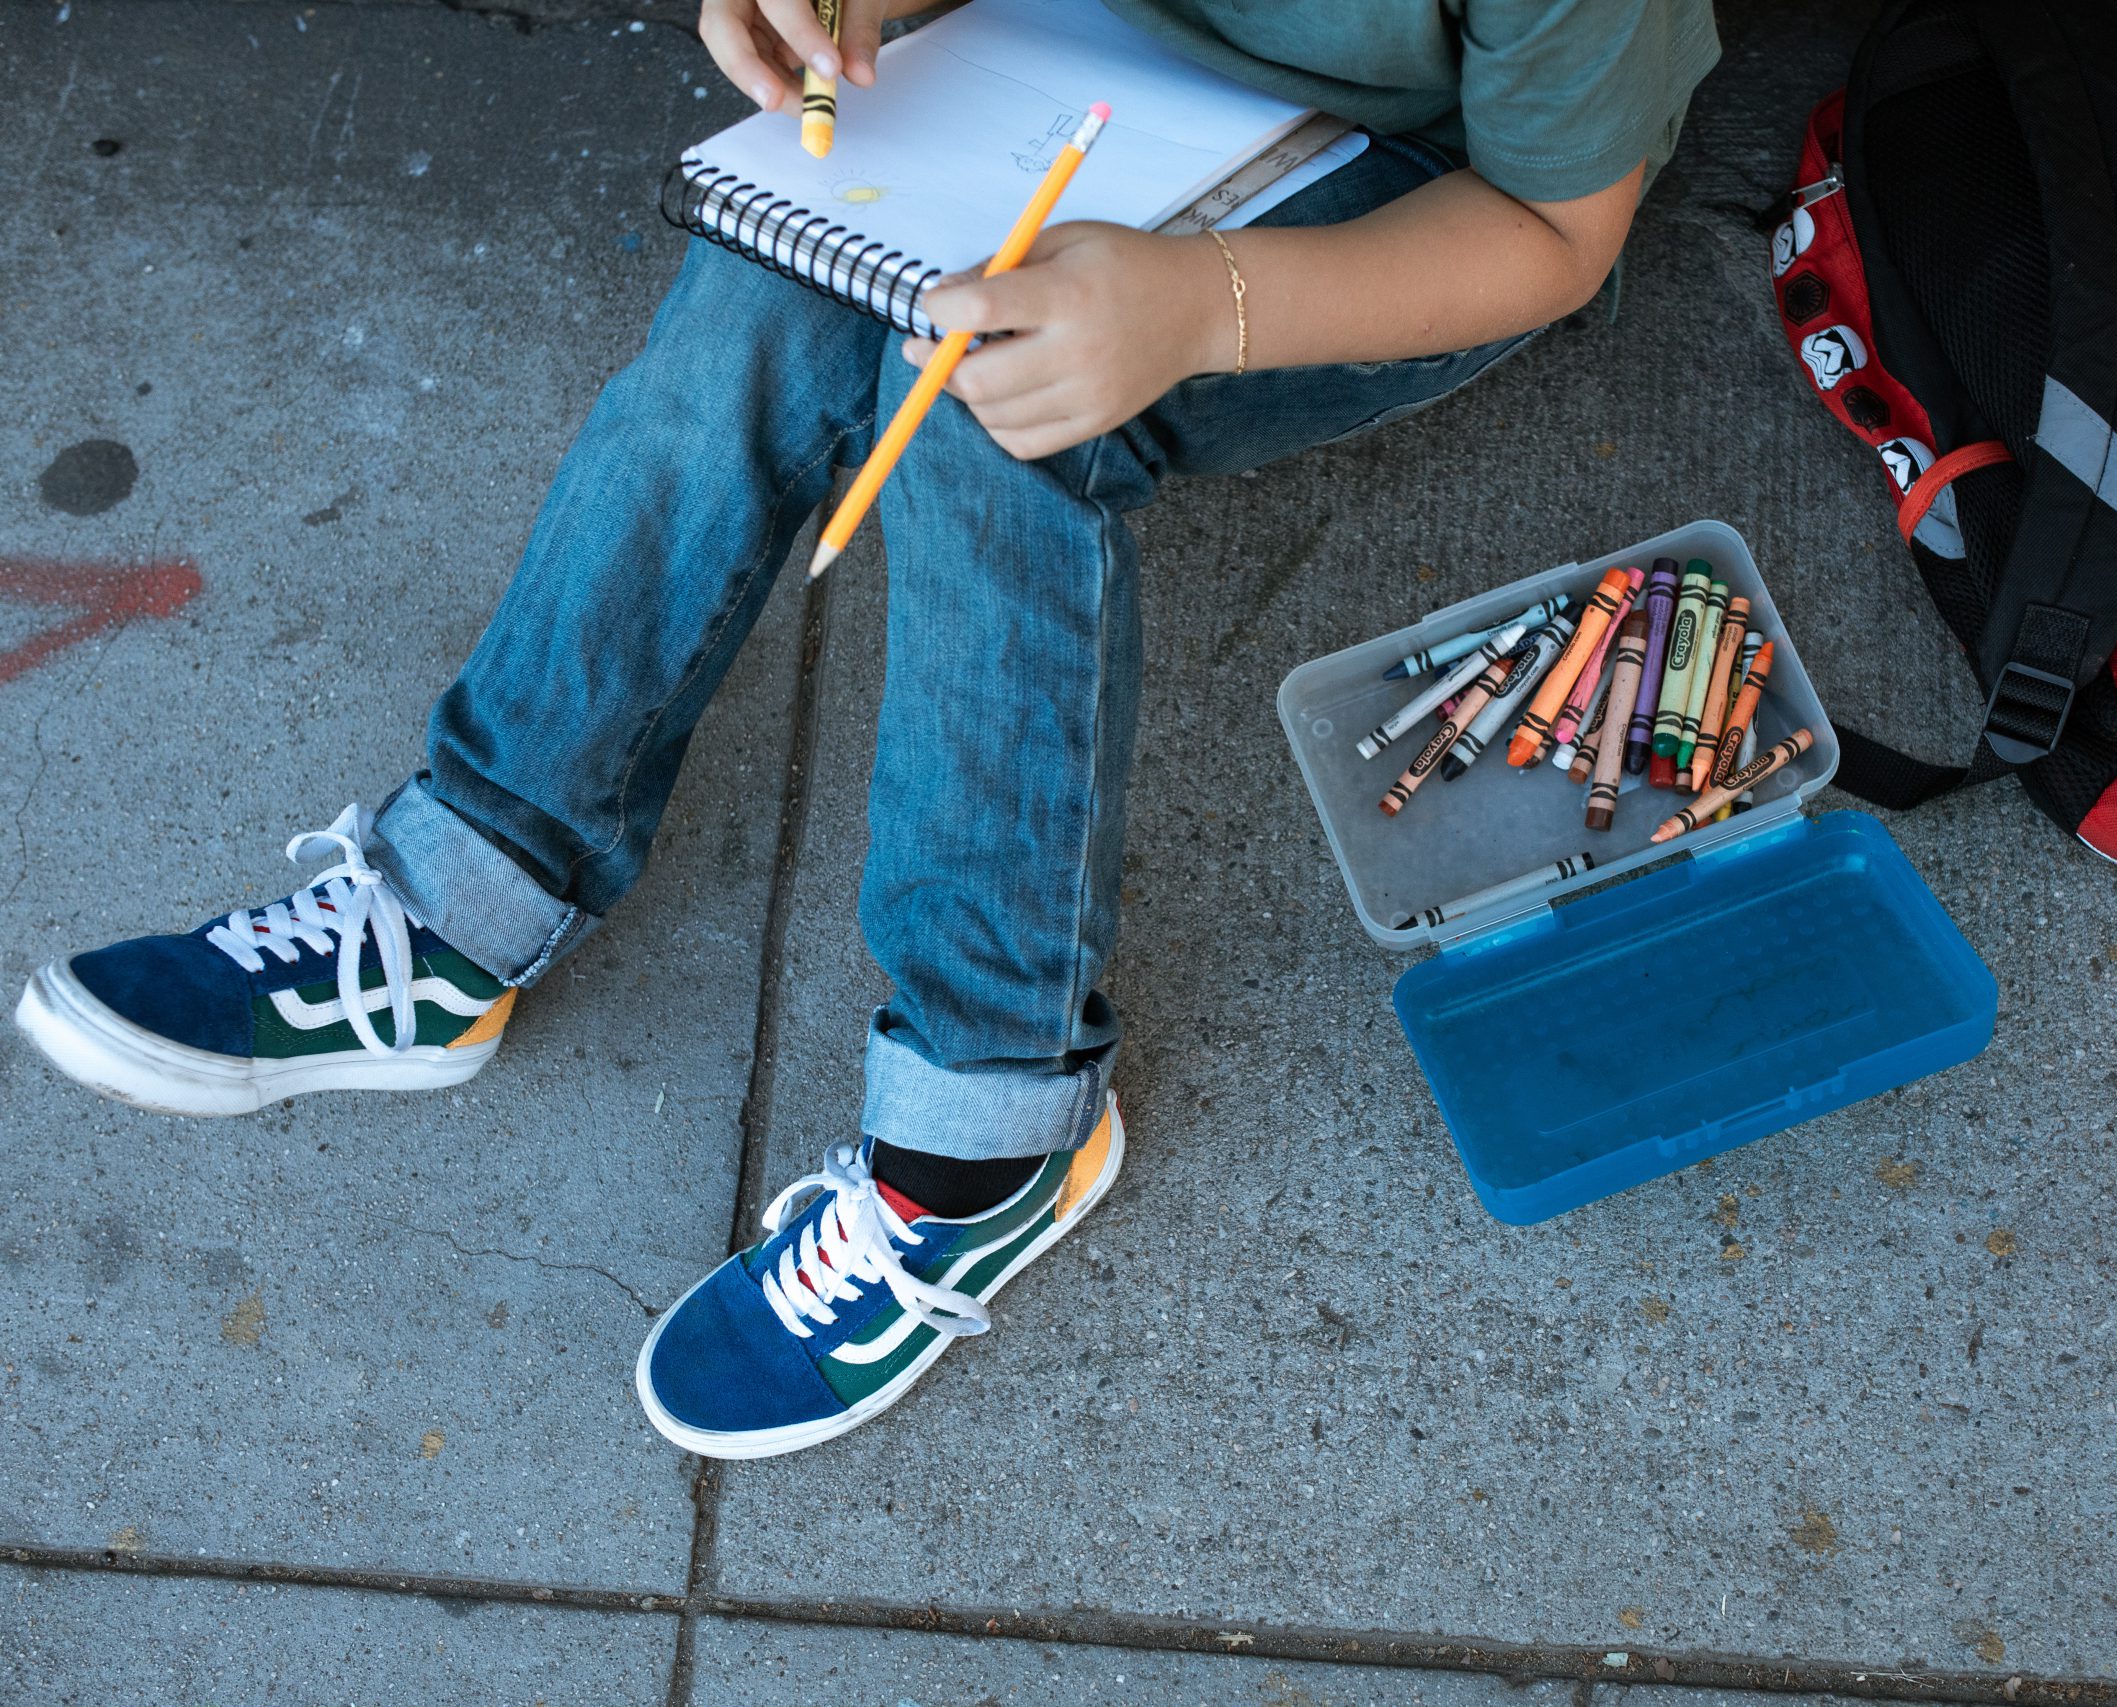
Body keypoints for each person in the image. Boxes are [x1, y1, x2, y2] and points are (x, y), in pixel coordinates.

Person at [12, 0, 1721, 1460]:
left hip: (1391, 195)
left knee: (990, 413)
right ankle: (465, 889)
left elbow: (1553, 236)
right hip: (1071, 72)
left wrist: (1201, 311)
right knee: (775, 275)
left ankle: (990, 1127)